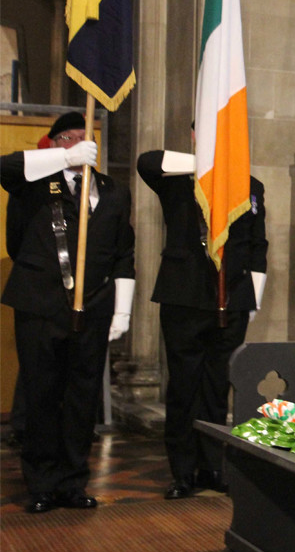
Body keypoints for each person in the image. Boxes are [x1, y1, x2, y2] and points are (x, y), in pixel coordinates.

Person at [1, 112, 135, 513]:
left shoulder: (112, 190)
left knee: (82, 398)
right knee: (42, 396)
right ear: (55, 142)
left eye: (86, 137)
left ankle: (74, 482)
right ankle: (41, 483)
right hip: (42, 305)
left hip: (93, 308)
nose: (81, 143)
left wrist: (122, 313)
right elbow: (3, 166)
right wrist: (64, 158)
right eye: (71, 138)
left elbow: (123, 254)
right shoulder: (36, 181)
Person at [137, 145, 267, 499]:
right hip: (185, 298)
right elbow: (146, 162)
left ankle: (212, 466)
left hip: (232, 299)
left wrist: (253, 298)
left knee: (217, 388)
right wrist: (209, 163)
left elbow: (258, 246)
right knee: (183, 388)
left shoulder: (251, 185)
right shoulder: (177, 179)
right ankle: (182, 471)